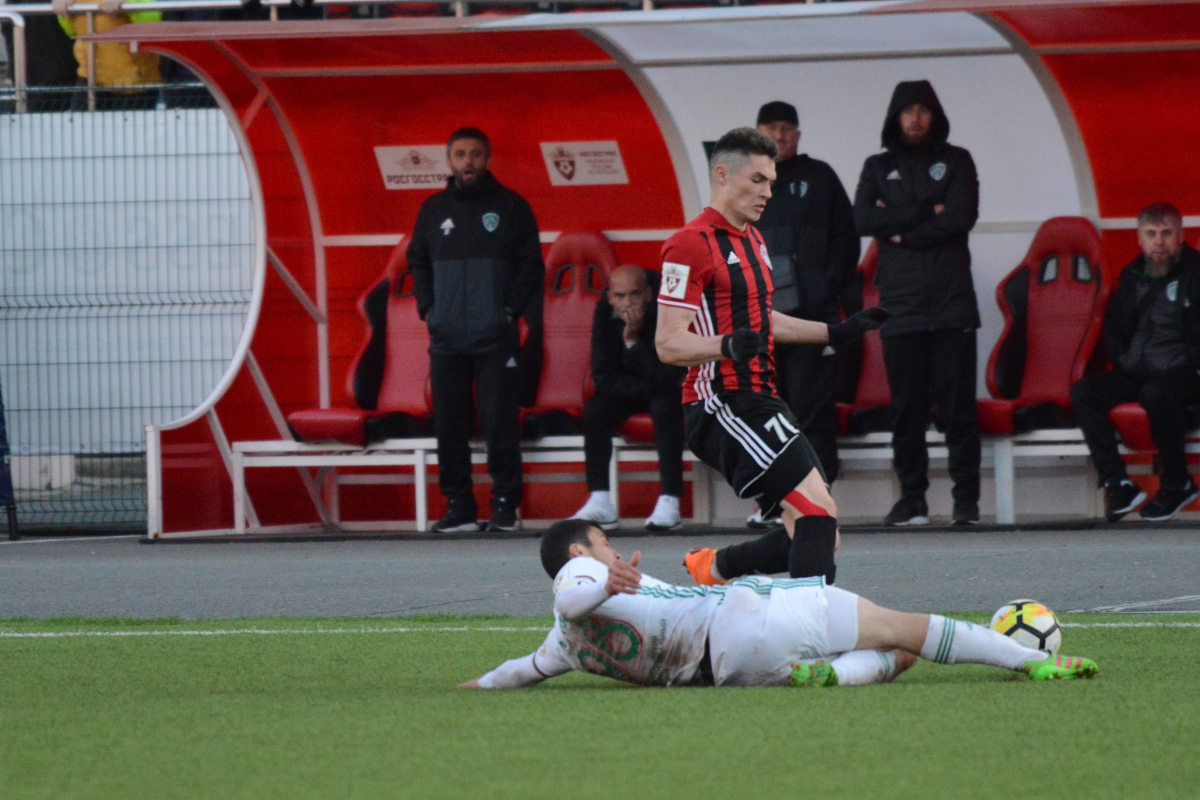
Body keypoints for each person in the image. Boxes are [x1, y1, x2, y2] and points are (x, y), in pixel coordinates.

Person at [459, 519, 1098, 689]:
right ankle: (1027, 661)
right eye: (603, 543)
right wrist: (605, 580)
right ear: (579, 551)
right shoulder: (580, 574)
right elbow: (574, 597)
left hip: (730, 672)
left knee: (900, 655)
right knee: (902, 627)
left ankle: (835, 676)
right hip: (744, 615)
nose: (612, 550)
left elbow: (515, 672)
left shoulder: (560, 649)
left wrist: (474, 687)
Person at [655, 127, 887, 589]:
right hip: (720, 402)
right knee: (815, 513)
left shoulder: (754, 240)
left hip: (761, 397)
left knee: (822, 528)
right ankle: (809, 622)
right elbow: (668, 343)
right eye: (758, 180)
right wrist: (725, 345)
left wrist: (834, 332)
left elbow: (763, 321)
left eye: (771, 183)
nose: (767, 193)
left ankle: (715, 569)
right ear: (722, 175)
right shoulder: (688, 243)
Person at [852, 80, 982, 527]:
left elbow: (961, 217)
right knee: (906, 409)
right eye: (907, 110)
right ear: (895, 117)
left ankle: (966, 502)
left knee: (958, 409)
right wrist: (930, 212)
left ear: (935, 116)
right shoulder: (877, 165)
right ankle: (913, 501)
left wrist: (899, 231)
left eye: (923, 110)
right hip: (900, 305)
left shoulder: (958, 160)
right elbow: (862, 218)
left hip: (952, 304)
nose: (915, 118)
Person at [408, 127, 545, 532]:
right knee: (449, 425)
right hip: (446, 339)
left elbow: (531, 266)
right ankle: (460, 507)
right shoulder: (432, 210)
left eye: (475, 154)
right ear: (449, 160)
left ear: (487, 159)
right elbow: (417, 262)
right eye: (460, 154)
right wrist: (429, 309)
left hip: (495, 338)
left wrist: (507, 310)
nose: (468, 161)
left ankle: (504, 505)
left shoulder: (511, 207)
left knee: (499, 423)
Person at [754, 101, 861, 501]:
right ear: (757, 133)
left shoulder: (819, 177)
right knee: (765, 413)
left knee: (811, 411)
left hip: (810, 321)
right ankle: (773, 500)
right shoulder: (744, 181)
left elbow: (847, 240)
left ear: (798, 135)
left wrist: (822, 291)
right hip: (760, 322)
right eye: (771, 128)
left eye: (786, 128)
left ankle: (816, 499)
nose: (779, 135)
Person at [1070, 203, 1200, 522]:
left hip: (1185, 373)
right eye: (1151, 234)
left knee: (1156, 393)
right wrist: (1123, 362)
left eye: (1167, 233)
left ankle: (1178, 483)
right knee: (1084, 392)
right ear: (1139, 239)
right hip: (1138, 371)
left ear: (1181, 236)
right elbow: (1112, 328)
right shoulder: (1131, 275)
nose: (1159, 242)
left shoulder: (1196, 273)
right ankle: (1118, 483)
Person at [570, 265, 688, 531]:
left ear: (648, 294)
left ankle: (670, 500)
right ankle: (600, 500)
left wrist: (633, 341)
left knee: (664, 406)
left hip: (668, 392)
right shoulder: (604, 313)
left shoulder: (665, 310)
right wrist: (650, 385)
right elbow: (603, 378)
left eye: (635, 295)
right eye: (619, 296)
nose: (627, 304)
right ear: (610, 297)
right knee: (596, 410)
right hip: (636, 388)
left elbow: (670, 377)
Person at [51, 0, 163, 110]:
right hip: (91, 75)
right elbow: (72, 31)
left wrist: (127, 3)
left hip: (133, 81)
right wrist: (63, 11)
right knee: (79, 121)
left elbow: (153, 21)